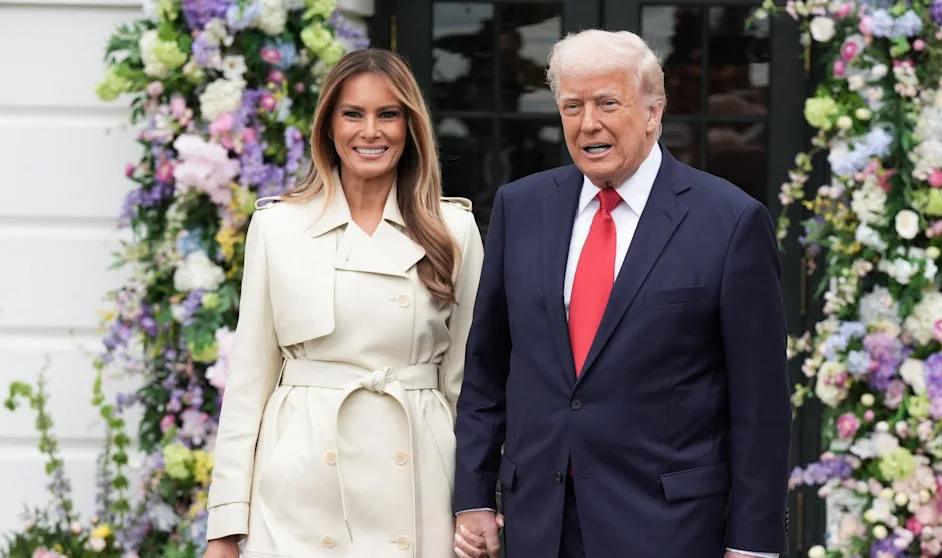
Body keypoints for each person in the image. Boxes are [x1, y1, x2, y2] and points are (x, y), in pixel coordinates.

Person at [453, 30, 790, 558]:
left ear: (654, 111)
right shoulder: (521, 209)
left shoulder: (730, 221)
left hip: (669, 529)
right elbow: (486, 371)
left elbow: (760, 406)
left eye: (608, 103)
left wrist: (753, 544)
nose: (589, 123)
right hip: (537, 525)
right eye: (572, 106)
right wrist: (472, 498)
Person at [203, 48, 483, 558]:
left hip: (418, 476)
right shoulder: (279, 226)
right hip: (301, 485)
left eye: (388, 114)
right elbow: (248, 383)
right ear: (328, 127)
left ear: (411, 127)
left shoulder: (454, 230)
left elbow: (469, 385)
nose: (370, 132)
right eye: (353, 114)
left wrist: (477, 503)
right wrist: (224, 527)